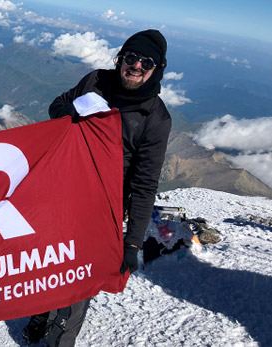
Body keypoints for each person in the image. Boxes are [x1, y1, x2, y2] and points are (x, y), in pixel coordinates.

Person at [22, 29, 172, 346]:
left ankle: (59, 340)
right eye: (131, 57)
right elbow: (59, 103)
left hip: (101, 213)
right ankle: (41, 312)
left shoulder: (155, 119)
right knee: (49, 263)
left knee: (79, 285)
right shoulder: (95, 82)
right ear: (120, 59)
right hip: (61, 194)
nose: (137, 66)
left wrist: (131, 245)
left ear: (157, 69)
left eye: (147, 62)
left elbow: (144, 187)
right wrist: (65, 114)